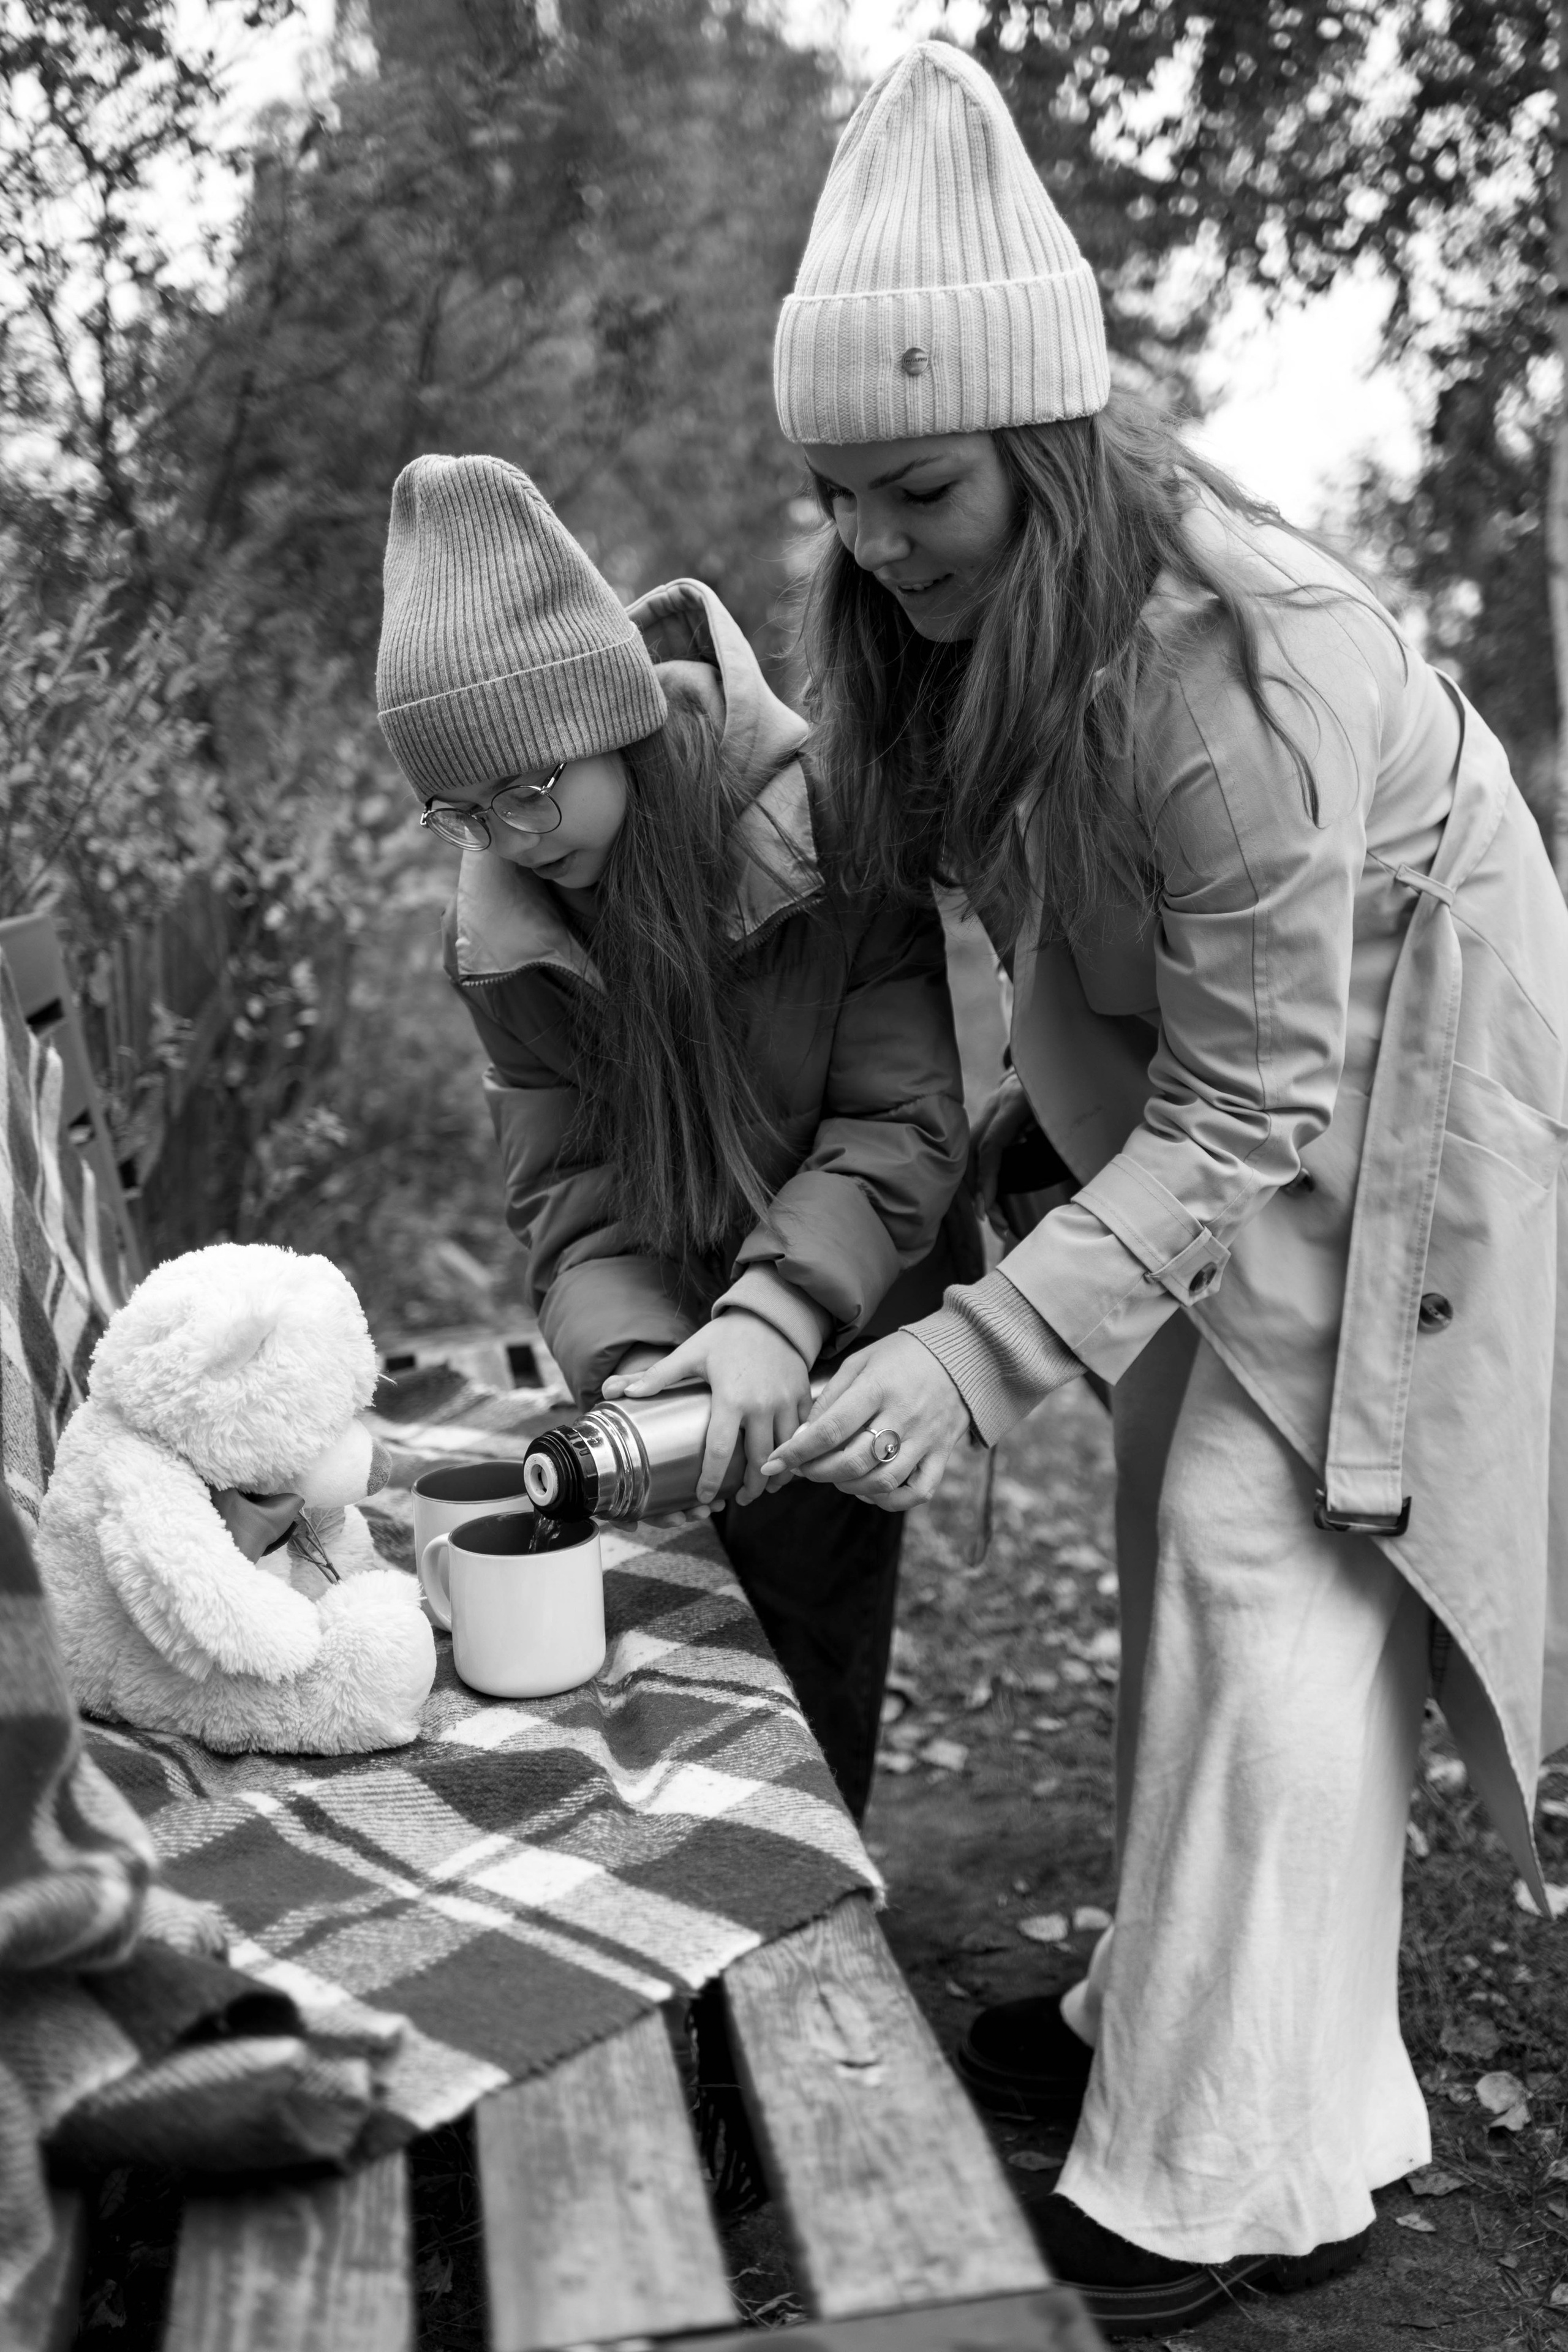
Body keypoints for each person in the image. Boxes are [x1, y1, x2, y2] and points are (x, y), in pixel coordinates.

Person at [760, 40, 1568, 2339]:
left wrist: (981, 1344)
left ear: (1038, 446)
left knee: (1271, 1529)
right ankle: (1184, 2017)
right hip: (1254, 1081)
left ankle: (1249, 2168)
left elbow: (1251, 1105)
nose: (883, 545)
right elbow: (1046, 936)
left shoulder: (1240, 673)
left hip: (1415, 1081)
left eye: (919, 489)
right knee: (1168, 1494)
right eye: (845, 501)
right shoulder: (972, 632)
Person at [375, 453, 976, 1824]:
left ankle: (808, 1901)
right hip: (676, 1316)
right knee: (668, 1629)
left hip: (847, 1323)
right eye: (462, 812)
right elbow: (571, 1187)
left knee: (809, 1625)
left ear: (612, 719)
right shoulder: (505, 941)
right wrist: (635, 1360)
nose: (509, 839)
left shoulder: (827, 821)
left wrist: (776, 1313)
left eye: (529, 788)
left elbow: (901, 1117)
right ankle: (684, 1941)